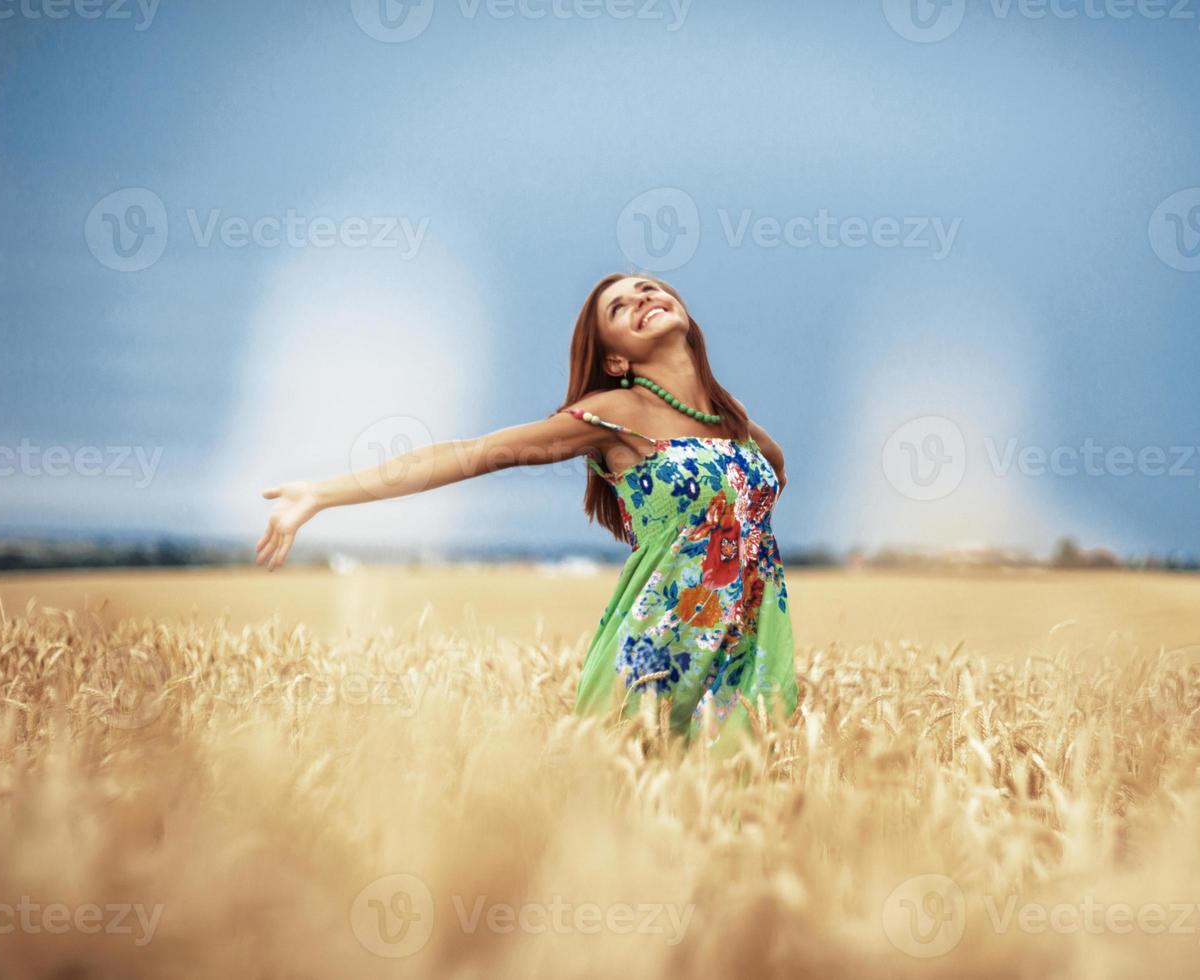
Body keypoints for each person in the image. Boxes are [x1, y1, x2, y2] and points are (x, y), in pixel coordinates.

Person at [255, 273, 799, 753]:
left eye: (649, 288)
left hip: (747, 655)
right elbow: (473, 453)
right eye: (619, 306)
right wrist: (323, 494)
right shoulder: (614, 415)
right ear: (615, 359)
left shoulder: (734, 419)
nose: (643, 297)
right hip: (657, 661)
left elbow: (769, 475)